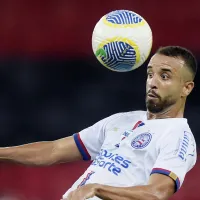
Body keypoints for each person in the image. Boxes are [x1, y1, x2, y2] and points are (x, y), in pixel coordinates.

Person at [0, 46, 197, 200]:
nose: (153, 82)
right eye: (150, 74)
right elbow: (54, 150)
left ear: (186, 88)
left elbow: (157, 193)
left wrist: (97, 189)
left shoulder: (179, 136)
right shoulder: (122, 120)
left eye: (164, 76)